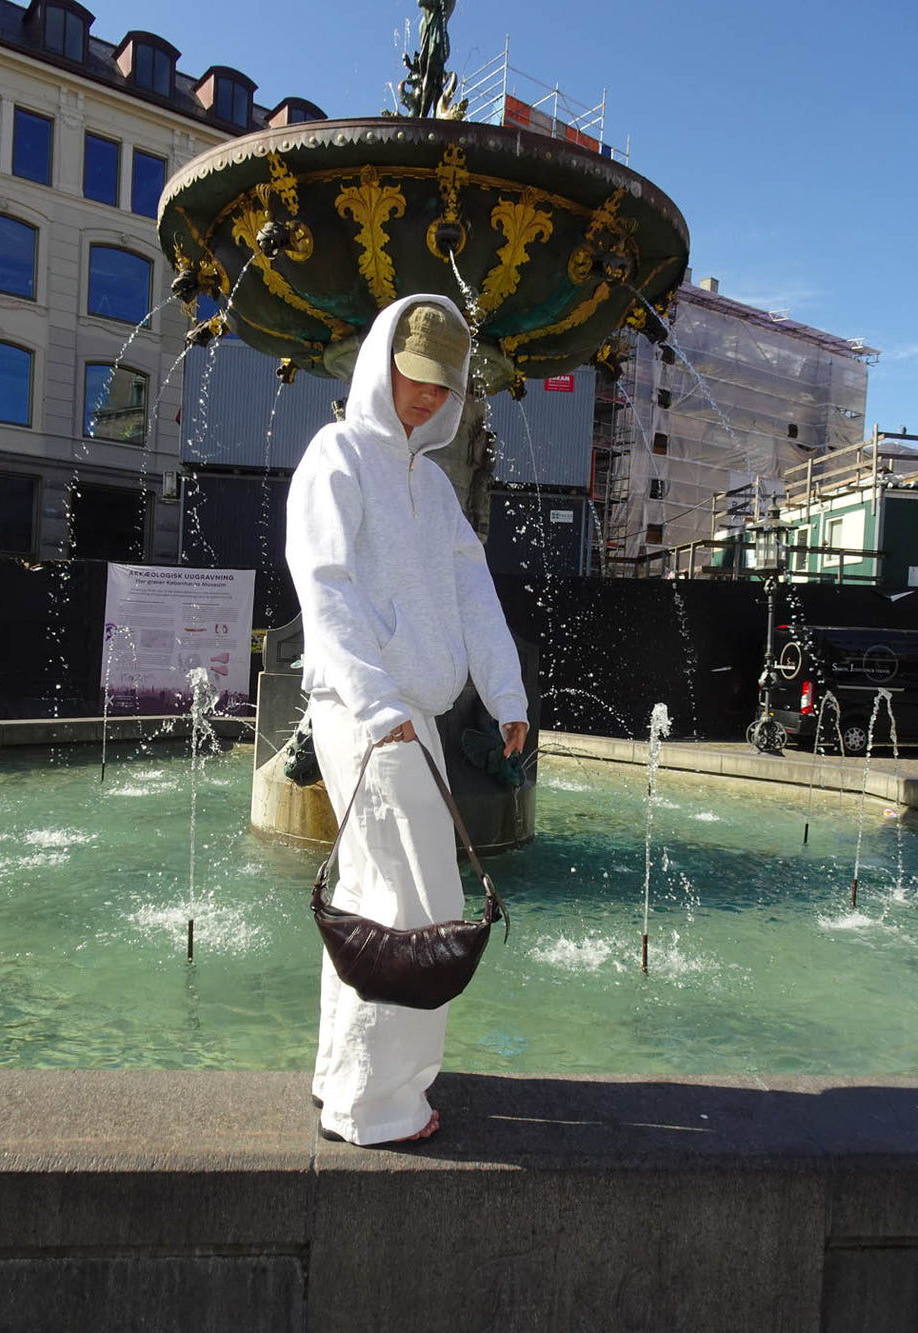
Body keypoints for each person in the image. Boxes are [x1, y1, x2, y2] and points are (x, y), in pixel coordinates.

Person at [285, 294, 529, 1146]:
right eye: (415, 377)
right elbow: (323, 583)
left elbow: (474, 593)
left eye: (442, 385)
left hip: (399, 714)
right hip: (368, 712)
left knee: (372, 894)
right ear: (382, 363)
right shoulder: (339, 454)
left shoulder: (430, 483)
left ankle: (345, 1080)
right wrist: (378, 701)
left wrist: (507, 695)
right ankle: (379, 1105)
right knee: (410, 901)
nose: (427, 397)